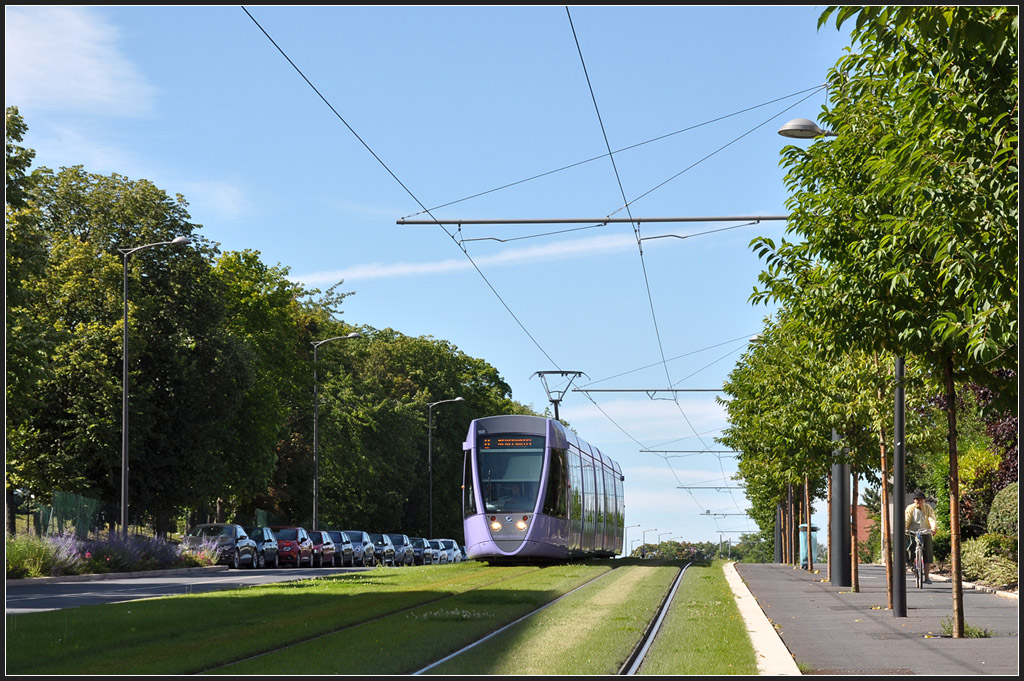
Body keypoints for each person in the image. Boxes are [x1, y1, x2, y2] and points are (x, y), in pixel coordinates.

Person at [904, 489, 938, 583]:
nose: (919, 501)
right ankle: (911, 565)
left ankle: (927, 577)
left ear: (924, 500)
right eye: (917, 499)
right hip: (912, 532)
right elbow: (907, 519)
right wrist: (905, 529)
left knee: (928, 555)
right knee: (909, 550)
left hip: (925, 532)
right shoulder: (910, 508)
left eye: (921, 499)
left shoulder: (927, 508)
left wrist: (933, 528)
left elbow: (931, 518)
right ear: (914, 500)